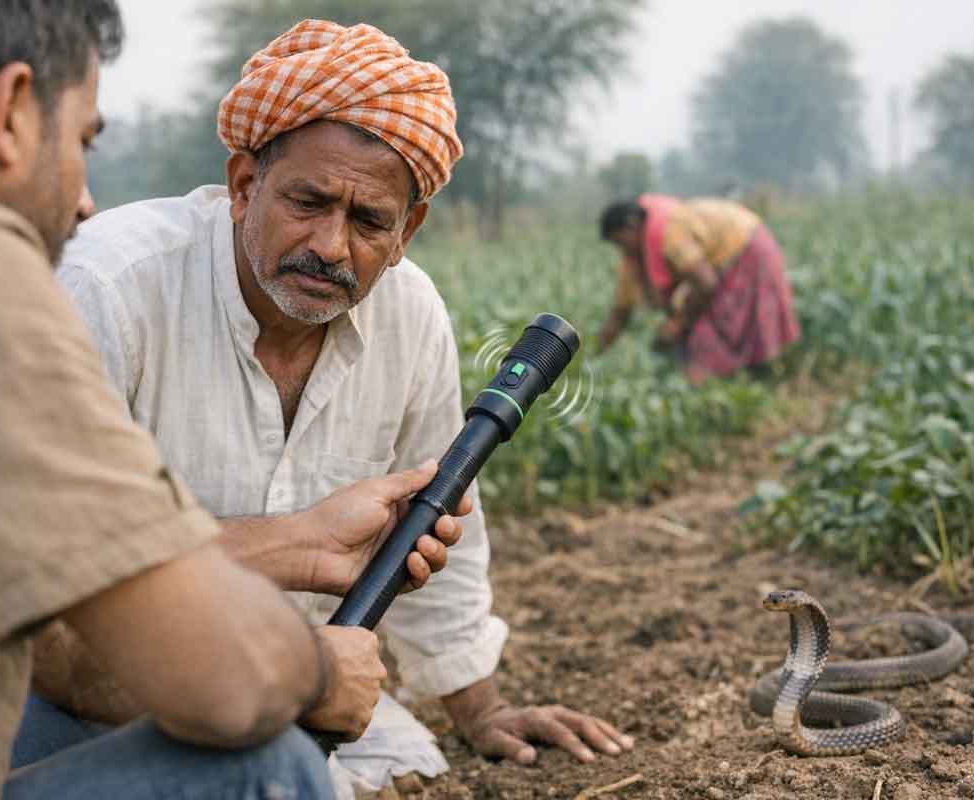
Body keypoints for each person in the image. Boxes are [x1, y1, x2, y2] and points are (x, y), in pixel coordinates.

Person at [0, 4, 469, 798]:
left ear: (404, 232)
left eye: (368, 220)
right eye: (82, 142)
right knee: (272, 766)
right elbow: (157, 651)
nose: (81, 203)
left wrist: (307, 551)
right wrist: (314, 671)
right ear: (9, 112)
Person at [34, 19, 635, 797]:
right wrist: (295, 549)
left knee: (400, 774)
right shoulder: (109, 289)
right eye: (307, 202)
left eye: (369, 221)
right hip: (92, 685)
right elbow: (48, 585)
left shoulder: (410, 315)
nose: (331, 246)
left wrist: (480, 709)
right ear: (245, 184)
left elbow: (448, 514)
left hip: (302, 685)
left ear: (407, 231)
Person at [596, 194, 800, 383]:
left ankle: (751, 381)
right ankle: (742, 379)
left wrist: (678, 324)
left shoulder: (669, 233)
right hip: (721, 263)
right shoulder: (634, 254)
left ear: (632, 226)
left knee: (726, 325)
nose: (621, 249)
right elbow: (621, 311)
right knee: (702, 323)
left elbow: (705, 283)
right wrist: (594, 355)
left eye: (620, 241)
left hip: (747, 248)